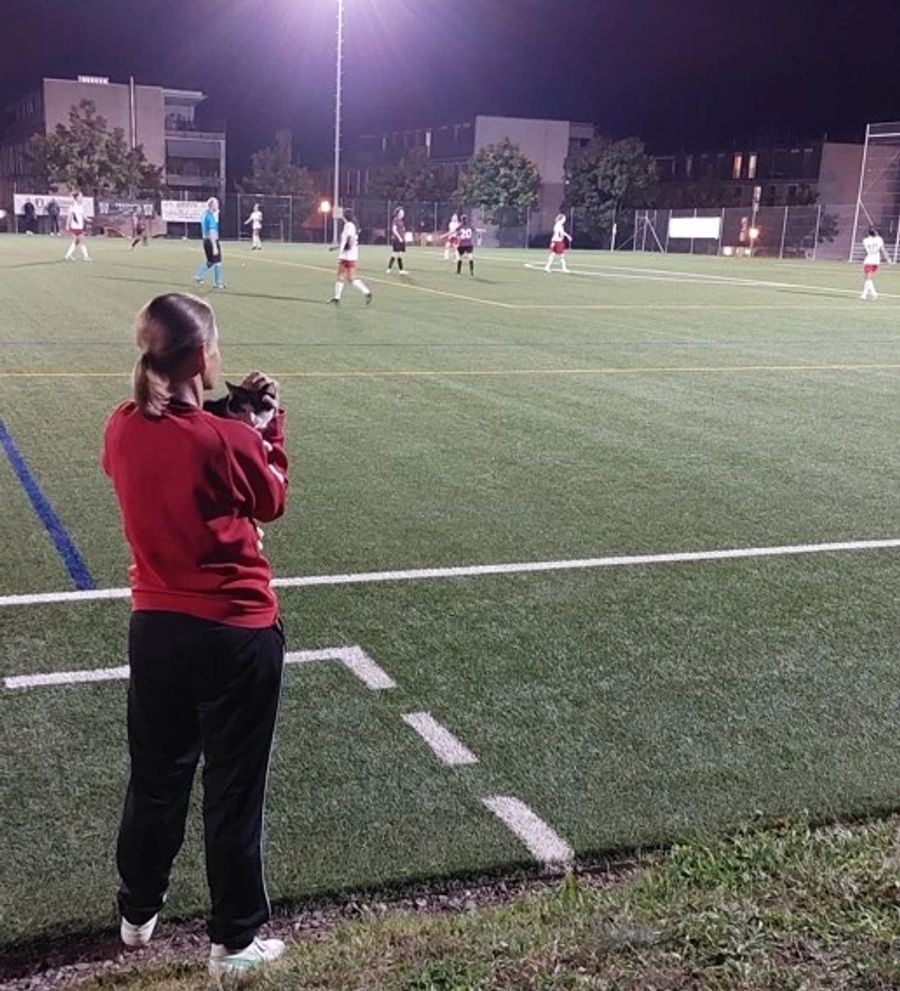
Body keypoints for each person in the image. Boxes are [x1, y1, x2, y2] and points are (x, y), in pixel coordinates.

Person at [102, 293, 288, 977]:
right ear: (202, 358)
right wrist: (266, 427)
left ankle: (136, 911)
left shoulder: (122, 425)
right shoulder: (226, 438)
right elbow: (270, 495)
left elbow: (175, 442)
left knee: (156, 777)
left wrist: (231, 422)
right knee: (234, 789)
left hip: (155, 629)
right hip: (235, 633)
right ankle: (234, 940)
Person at [328, 208, 372, 305]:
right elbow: (350, 240)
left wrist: (342, 250)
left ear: (345, 216)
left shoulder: (348, 225)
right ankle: (366, 292)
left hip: (346, 256)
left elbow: (348, 239)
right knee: (351, 278)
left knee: (340, 276)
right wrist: (338, 247)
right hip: (352, 256)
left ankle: (337, 298)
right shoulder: (353, 225)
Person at [195, 197, 224, 289]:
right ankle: (218, 283)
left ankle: (199, 275)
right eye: (216, 204)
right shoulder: (210, 217)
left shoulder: (205, 214)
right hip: (212, 241)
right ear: (212, 205)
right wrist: (215, 246)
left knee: (210, 261)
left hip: (205, 241)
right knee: (218, 262)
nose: (218, 206)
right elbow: (212, 231)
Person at [861, 226, 890, 300]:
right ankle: (868, 294)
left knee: (867, 278)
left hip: (869, 260)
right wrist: (888, 259)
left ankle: (870, 293)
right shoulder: (879, 239)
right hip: (876, 261)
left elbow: (866, 250)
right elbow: (883, 250)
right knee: (869, 278)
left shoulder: (865, 240)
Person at [64, 192, 91, 261]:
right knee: (82, 241)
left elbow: (82, 215)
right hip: (75, 227)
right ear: (77, 198)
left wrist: (87, 219)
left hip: (80, 226)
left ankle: (68, 255)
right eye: (81, 196)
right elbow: (69, 216)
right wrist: (67, 225)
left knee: (76, 242)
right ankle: (86, 256)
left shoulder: (81, 206)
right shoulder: (73, 206)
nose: (82, 197)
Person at [386, 207, 409, 274]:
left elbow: (402, 230)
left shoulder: (401, 221)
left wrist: (403, 237)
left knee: (400, 255)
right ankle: (389, 268)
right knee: (394, 254)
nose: (403, 213)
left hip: (401, 240)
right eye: (402, 212)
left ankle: (401, 270)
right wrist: (399, 238)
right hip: (397, 240)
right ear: (398, 213)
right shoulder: (396, 220)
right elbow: (394, 230)